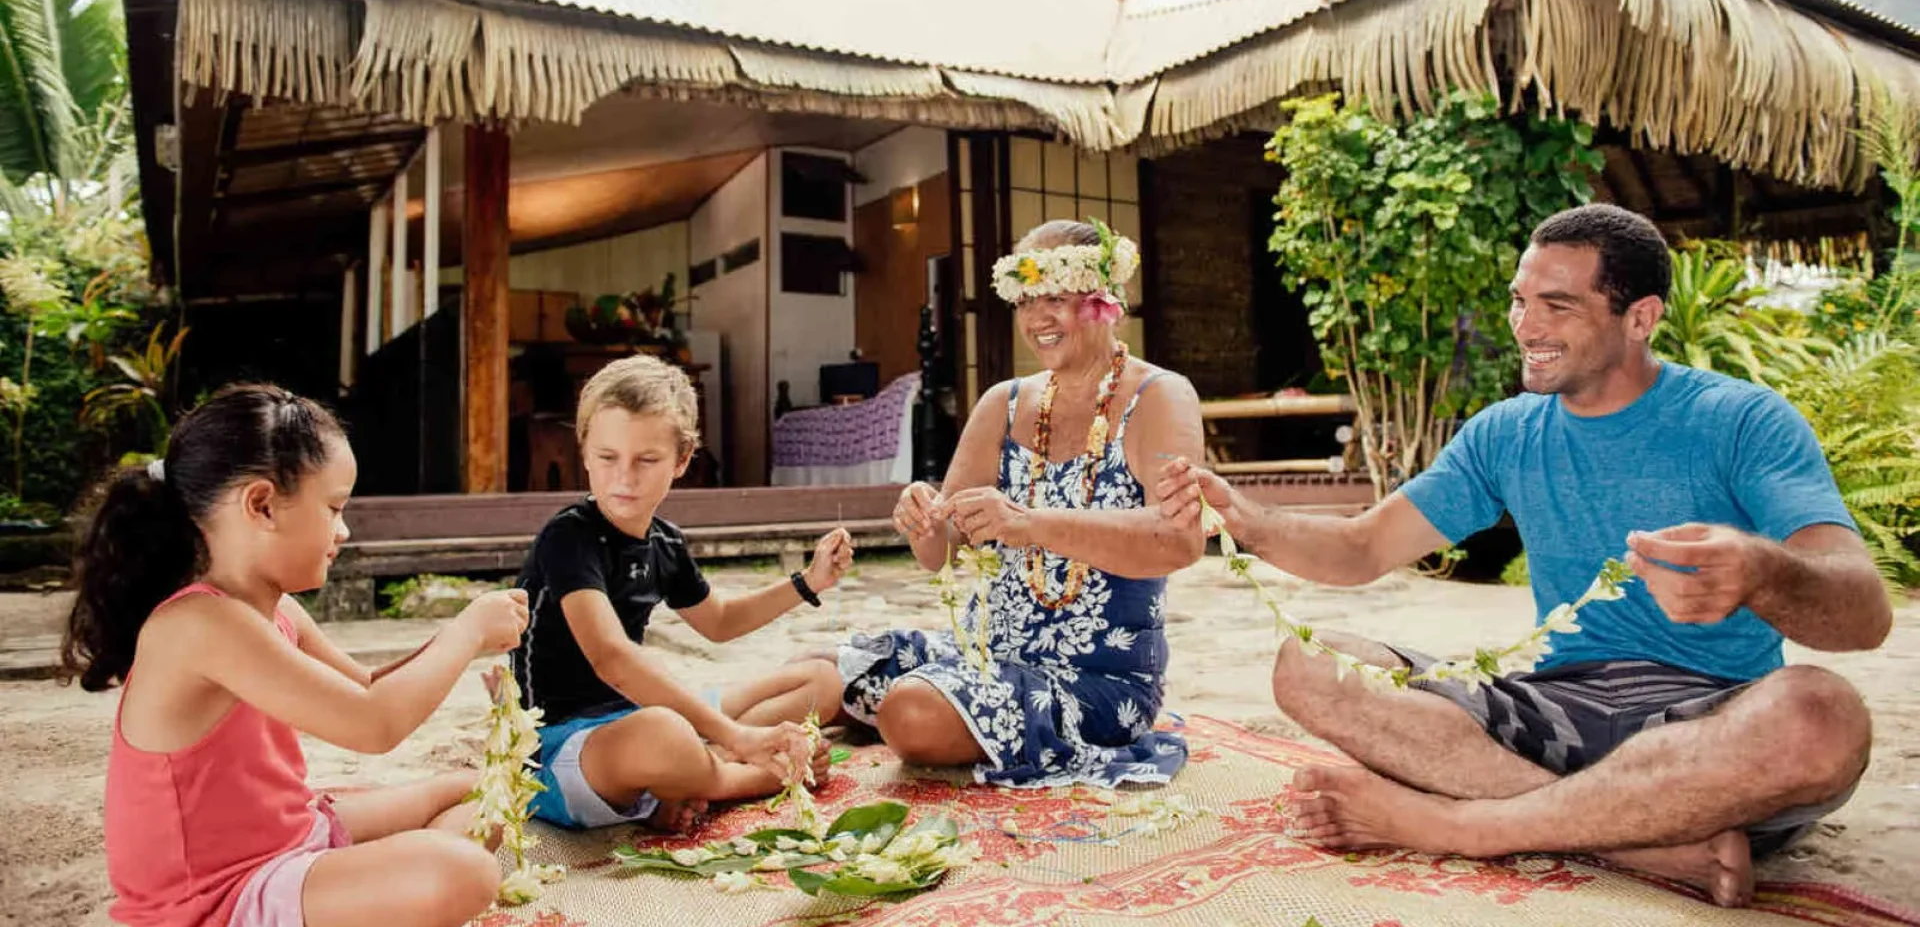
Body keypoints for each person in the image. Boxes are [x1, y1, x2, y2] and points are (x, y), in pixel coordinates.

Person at [1158, 203, 1890, 907]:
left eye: (1558, 306)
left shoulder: (1743, 420)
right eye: (1519, 300)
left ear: (1640, 318)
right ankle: (1631, 844)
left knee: (1823, 716)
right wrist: (1246, 519)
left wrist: (1761, 570)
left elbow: (1862, 613)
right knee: (1308, 664)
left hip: (1708, 735)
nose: (1524, 327)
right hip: (1555, 714)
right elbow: (1362, 547)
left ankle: (1465, 824)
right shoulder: (1505, 432)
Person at [60, 384, 530, 927]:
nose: (344, 530)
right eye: (334, 508)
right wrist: (468, 632)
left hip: (285, 838)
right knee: (463, 872)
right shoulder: (199, 624)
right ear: (261, 504)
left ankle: (370, 895)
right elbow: (374, 725)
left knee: (481, 792)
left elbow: (366, 685)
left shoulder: (275, 609)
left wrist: (459, 636)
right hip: (217, 901)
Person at [838, 219, 1206, 787]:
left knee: (909, 711)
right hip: (982, 653)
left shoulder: (1160, 397)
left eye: (1056, 298)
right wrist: (923, 519)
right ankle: (704, 746)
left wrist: (1030, 524)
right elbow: (940, 550)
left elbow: (1180, 541)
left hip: (1096, 682)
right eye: (1025, 300)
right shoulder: (1003, 404)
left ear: (1104, 300)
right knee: (820, 674)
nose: (1037, 319)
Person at [511, 355, 850, 833]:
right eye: (608, 458)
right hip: (559, 748)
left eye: (646, 460)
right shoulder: (568, 537)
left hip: (633, 716)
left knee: (819, 681)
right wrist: (740, 737)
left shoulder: (664, 542)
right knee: (666, 734)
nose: (624, 477)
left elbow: (721, 621)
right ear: (585, 451)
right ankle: (756, 776)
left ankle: (686, 778)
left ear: (683, 459)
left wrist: (808, 583)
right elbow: (611, 659)